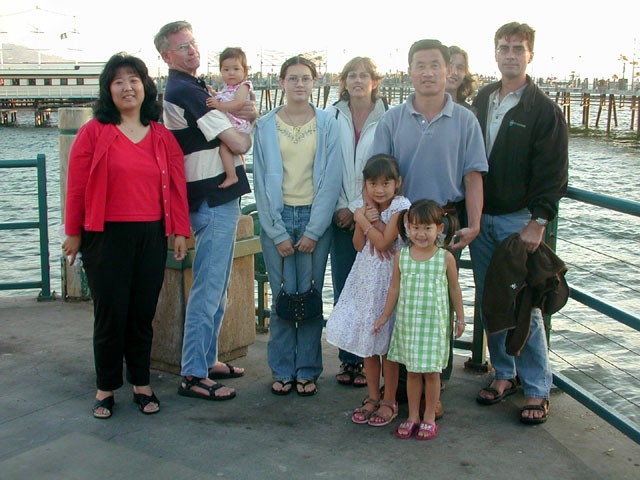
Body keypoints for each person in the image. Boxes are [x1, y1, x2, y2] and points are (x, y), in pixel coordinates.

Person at [62, 52, 191, 418]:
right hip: (104, 237)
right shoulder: (94, 133)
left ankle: (141, 383)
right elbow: (76, 188)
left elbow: (178, 187)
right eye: (118, 81)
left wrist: (180, 229)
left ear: (145, 86)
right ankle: (105, 388)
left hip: (151, 234)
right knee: (110, 314)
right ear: (108, 90)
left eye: (133, 79)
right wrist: (73, 232)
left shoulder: (162, 136)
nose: (127, 87)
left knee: (141, 313)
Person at [371, 38, 487, 419]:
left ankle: (435, 390)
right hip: (401, 220)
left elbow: (473, 177)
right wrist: (375, 218)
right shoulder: (392, 119)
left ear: (447, 70)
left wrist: (474, 223)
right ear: (409, 72)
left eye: (435, 64)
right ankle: (400, 389)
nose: (427, 72)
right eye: (419, 65)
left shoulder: (466, 120)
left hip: (443, 221)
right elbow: (377, 175)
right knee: (400, 300)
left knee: (437, 304)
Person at [470, 22, 569, 424]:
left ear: (530, 55)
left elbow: (553, 172)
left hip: (518, 221)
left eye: (518, 48)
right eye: (503, 47)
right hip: (481, 219)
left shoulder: (543, 111)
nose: (510, 54)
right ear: (494, 53)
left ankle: (537, 387)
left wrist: (539, 221)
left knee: (524, 304)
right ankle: (504, 373)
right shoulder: (483, 100)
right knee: (492, 303)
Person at [154, 21, 256, 400]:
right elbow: (237, 141)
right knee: (209, 287)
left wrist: (244, 117)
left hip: (215, 197)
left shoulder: (193, 88)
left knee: (217, 284)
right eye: (182, 47)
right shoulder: (187, 91)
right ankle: (193, 373)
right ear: (166, 56)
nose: (192, 50)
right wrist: (250, 121)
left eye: (193, 43)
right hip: (212, 198)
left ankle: (207, 358)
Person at [252, 55, 342, 397]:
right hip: (279, 217)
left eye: (306, 78)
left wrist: (314, 231)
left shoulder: (328, 123)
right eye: (293, 78)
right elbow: (260, 182)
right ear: (282, 83)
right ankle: (282, 369)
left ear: (314, 83)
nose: (300, 84)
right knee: (282, 297)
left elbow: (331, 179)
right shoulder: (265, 126)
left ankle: (308, 369)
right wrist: (275, 232)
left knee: (310, 295)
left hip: (312, 218)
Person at [326, 154, 410, 424]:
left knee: (388, 347)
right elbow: (359, 245)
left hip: (388, 282)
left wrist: (364, 220)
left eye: (386, 183)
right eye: (373, 183)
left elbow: (386, 242)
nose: (379, 189)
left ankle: (390, 399)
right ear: (365, 185)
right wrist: (362, 217)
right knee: (368, 343)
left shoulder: (400, 207)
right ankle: (372, 396)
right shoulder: (363, 207)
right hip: (365, 281)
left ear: (398, 183)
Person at [373, 200, 464, 440]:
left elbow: (455, 289)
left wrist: (461, 318)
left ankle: (429, 417)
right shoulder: (402, 257)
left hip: (433, 327)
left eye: (427, 228)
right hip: (409, 325)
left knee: (432, 373)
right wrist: (384, 316)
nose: (421, 234)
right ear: (407, 227)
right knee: (412, 372)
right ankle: (412, 415)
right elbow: (394, 289)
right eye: (415, 228)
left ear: (439, 229)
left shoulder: (445, 258)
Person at [326, 56, 387, 388]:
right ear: (344, 81)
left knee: (372, 290)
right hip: (339, 217)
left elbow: (386, 169)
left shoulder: (387, 118)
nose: (358, 80)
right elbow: (327, 165)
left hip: (372, 218)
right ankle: (348, 359)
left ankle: (371, 359)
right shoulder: (331, 116)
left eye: (365, 75)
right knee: (344, 289)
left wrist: (360, 209)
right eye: (352, 75)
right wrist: (342, 208)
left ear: (374, 81)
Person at [205, 47, 253, 189]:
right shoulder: (228, 87)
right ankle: (239, 170)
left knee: (224, 148)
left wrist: (218, 105)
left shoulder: (243, 86)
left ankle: (232, 176)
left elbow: (237, 104)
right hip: (232, 123)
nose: (231, 73)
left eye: (236, 69)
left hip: (238, 125)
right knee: (231, 151)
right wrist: (213, 93)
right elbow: (226, 98)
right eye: (226, 70)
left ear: (245, 71)